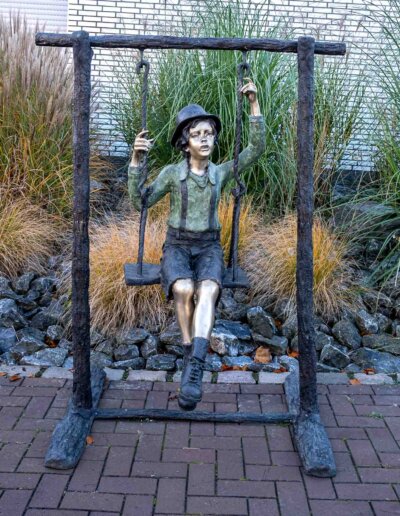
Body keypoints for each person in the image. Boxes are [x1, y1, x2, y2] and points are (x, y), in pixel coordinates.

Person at [128, 79, 265, 410]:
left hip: (209, 247)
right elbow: (140, 201)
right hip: (177, 245)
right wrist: (135, 160)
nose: (204, 139)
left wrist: (254, 104)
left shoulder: (220, 173)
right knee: (184, 288)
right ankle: (191, 353)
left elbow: (255, 150)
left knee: (208, 290)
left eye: (209, 133)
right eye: (197, 134)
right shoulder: (172, 174)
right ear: (185, 143)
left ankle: (195, 366)